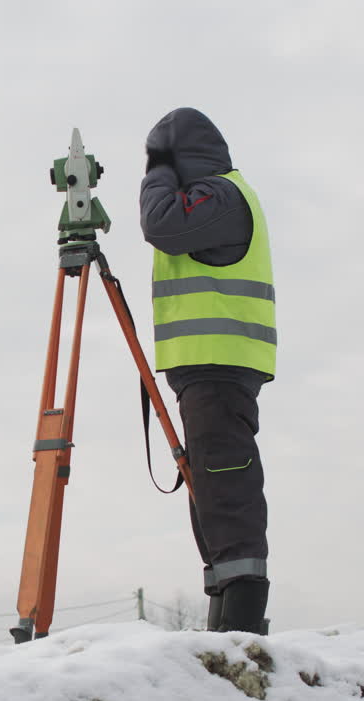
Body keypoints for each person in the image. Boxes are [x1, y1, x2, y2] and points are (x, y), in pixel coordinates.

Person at [138, 107, 276, 634]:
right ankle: (225, 611)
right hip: (209, 368)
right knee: (212, 490)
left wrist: (157, 172)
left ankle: (240, 624)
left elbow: (161, 224)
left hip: (221, 364)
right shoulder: (215, 197)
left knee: (225, 484)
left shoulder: (221, 195)